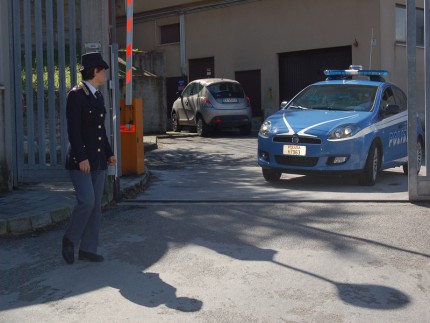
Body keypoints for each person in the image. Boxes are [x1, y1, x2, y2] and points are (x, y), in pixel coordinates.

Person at [62, 52, 117, 264]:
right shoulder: (76, 95)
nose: (105, 74)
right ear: (95, 71)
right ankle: (69, 239)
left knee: (95, 206)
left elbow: (99, 129)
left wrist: (109, 153)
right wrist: (81, 157)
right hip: (80, 160)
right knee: (87, 201)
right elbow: (74, 131)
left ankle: (87, 249)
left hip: (98, 159)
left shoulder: (98, 96)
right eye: (103, 70)